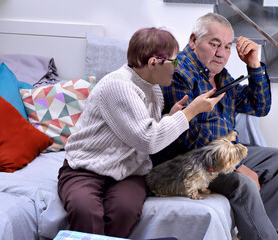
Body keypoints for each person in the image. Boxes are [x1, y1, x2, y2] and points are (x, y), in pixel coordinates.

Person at [57, 27, 223, 238]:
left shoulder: (152, 88)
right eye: (174, 61)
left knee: (123, 211)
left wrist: (169, 117)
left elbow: (143, 128)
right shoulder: (118, 86)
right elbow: (148, 141)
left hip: (129, 171)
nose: (177, 66)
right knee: (85, 211)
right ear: (153, 63)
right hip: (86, 168)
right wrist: (190, 113)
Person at [151, 13, 278, 240]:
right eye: (214, 44)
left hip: (224, 155)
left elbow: (260, 107)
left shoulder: (222, 78)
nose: (221, 54)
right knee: (243, 182)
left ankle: (265, 234)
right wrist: (236, 166)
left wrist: (254, 65)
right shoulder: (178, 73)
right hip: (191, 161)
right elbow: (190, 135)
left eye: (227, 47)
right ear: (194, 40)